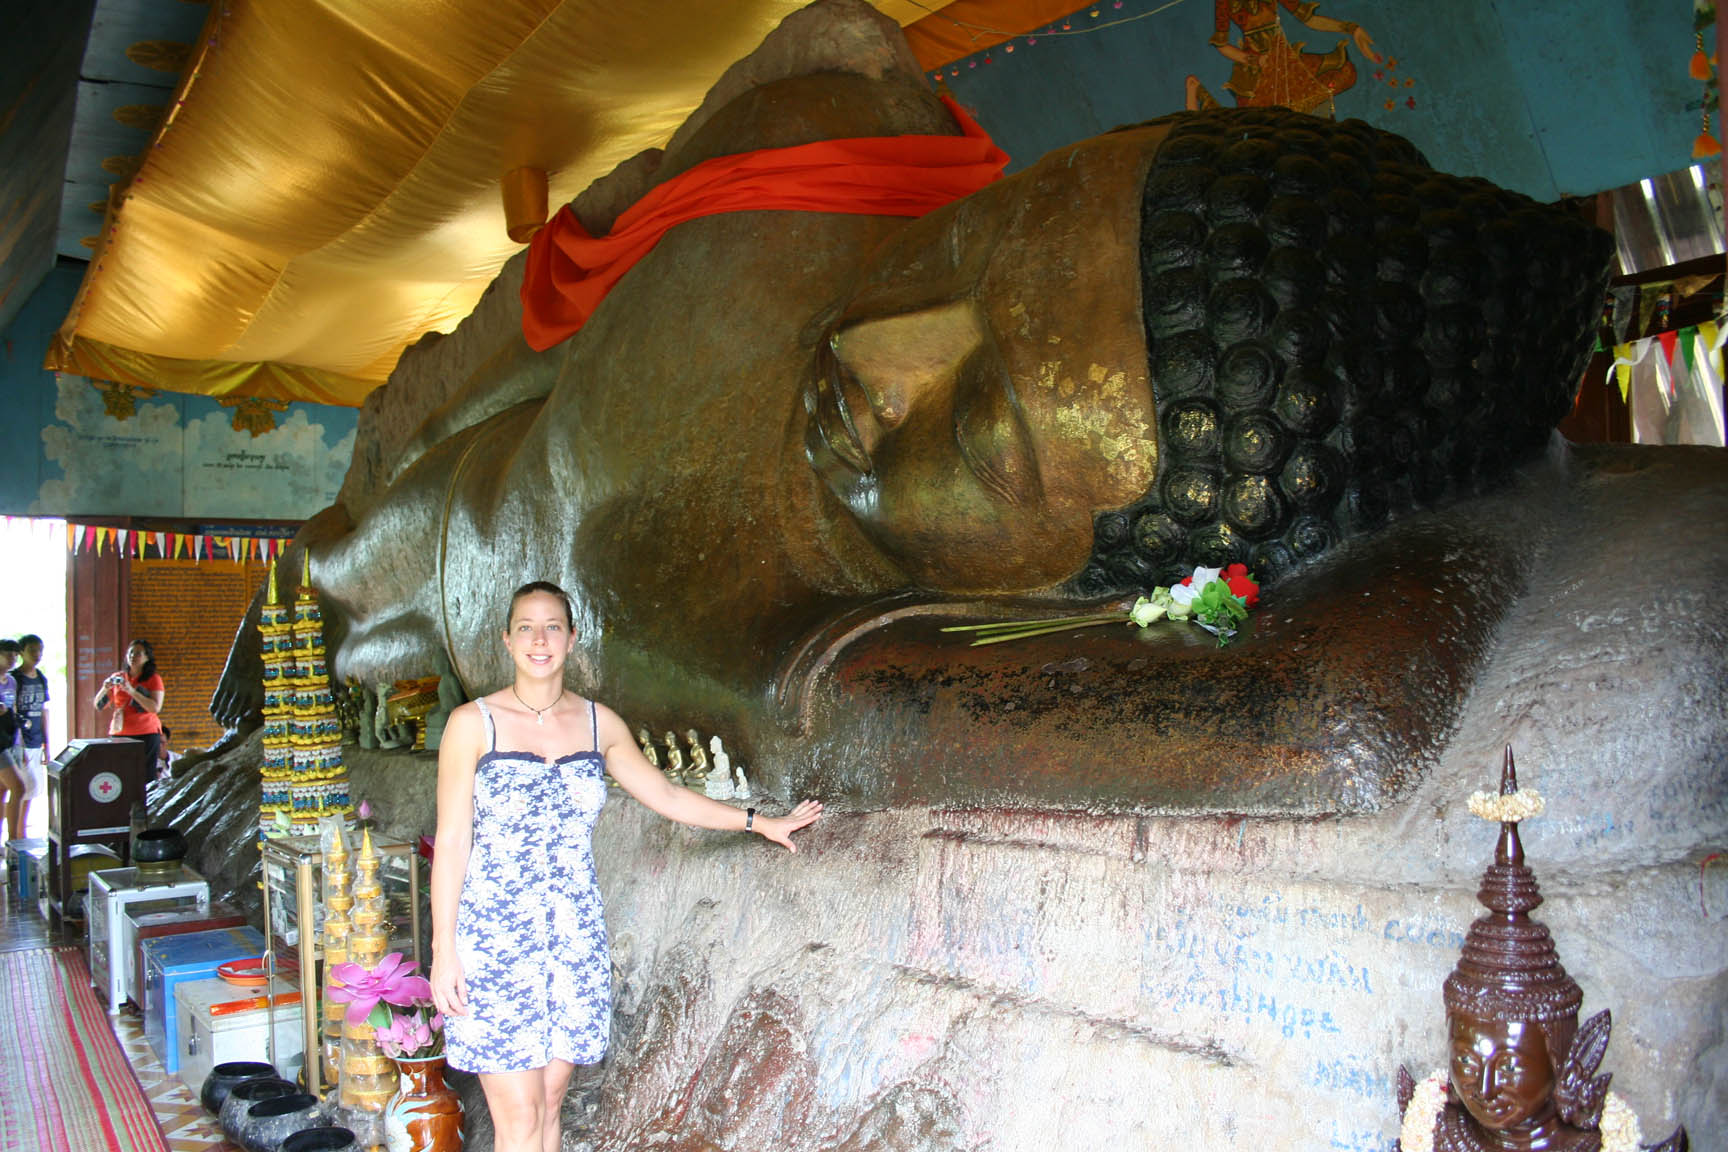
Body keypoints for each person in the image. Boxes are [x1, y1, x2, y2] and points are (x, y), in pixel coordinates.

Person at [429, 581, 822, 1152]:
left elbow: (668, 795)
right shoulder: (473, 723)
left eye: (552, 627)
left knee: (551, 1104)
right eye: (526, 628)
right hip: (495, 938)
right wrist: (444, 950)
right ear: (507, 640)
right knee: (519, 1116)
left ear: (572, 638)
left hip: (573, 936)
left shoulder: (599, 724)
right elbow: (452, 839)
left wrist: (758, 822)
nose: (539, 640)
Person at [96, 640, 166, 771]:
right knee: (120, 773)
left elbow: (155, 707)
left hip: (146, 733)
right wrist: (104, 688)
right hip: (120, 732)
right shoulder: (118, 677)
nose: (132, 656)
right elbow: (99, 705)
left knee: (145, 774)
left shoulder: (153, 679)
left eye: (138, 653)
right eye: (130, 653)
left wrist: (131, 691)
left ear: (147, 657)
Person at [11, 635, 50, 837]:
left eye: (40, 650)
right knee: (22, 788)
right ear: (21, 652)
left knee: (31, 791)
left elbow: (44, 712)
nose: (37, 654)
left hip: (36, 741)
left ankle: (20, 833)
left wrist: (46, 744)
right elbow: (13, 713)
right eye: (32, 650)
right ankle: (19, 835)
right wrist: (20, 745)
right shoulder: (14, 679)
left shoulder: (41, 678)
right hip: (19, 742)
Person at [0, 640, 23, 842]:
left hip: (8, 739)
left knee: (3, 789)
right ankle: (14, 840)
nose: (12, 659)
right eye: (8, 654)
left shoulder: (12, 681)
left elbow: (13, 710)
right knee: (18, 787)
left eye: (16, 655)